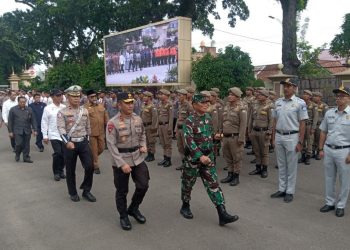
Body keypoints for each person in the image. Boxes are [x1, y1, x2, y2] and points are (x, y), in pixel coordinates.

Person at [181, 93, 239, 226]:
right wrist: (199, 156)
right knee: (188, 184)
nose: (207, 104)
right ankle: (185, 205)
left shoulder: (208, 117)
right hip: (193, 160)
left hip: (208, 158)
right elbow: (189, 142)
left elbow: (208, 136)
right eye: (203, 102)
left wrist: (215, 138)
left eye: (208, 102)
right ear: (195, 105)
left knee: (213, 184)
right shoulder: (189, 121)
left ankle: (222, 213)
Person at [106, 92, 149, 231]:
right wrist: (122, 164)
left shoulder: (137, 118)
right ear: (119, 104)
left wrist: (144, 145)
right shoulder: (113, 123)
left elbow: (142, 134)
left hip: (137, 157)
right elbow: (111, 145)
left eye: (132, 102)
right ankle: (123, 215)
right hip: (121, 160)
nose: (131, 105)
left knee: (143, 185)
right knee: (122, 190)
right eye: (127, 103)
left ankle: (133, 208)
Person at [270, 78, 308, 203]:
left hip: (292, 136)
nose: (285, 88)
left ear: (295, 88)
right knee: (281, 165)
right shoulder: (278, 102)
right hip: (279, 136)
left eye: (288, 86)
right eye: (284, 86)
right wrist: (273, 137)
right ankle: (282, 189)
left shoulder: (300, 103)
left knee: (291, 166)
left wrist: (300, 142)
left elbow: (303, 123)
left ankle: (290, 191)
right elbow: (274, 121)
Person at [57, 85, 96, 203]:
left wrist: (88, 139)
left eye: (78, 96)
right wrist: (67, 142)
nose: (76, 99)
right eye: (73, 96)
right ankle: (72, 192)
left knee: (90, 166)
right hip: (70, 143)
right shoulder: (62, 112)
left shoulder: (85, 111)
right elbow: (61, 129)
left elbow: (88, 126)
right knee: (70, 169)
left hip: (83, 142)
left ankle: (86, 190)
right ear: (68, 97)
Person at [318, 84, 350, 218]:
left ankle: (341, 205)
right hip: (329, 149)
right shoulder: (330, 113)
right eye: (337, 96)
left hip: (344, 151)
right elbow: (323, 131)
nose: (338, 98)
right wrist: (320, 148)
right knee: (329, 178)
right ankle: (330, 202)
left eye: (342, 96)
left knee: (344, 180)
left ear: (348, 98)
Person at [220, 87, 247, 186]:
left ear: (237, 96)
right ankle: (230, 174)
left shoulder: (241, 108)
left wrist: (241, 138)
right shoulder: (226, 107)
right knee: (228, 157)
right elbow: (222, 121)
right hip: (226, 136)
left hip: (235, 137)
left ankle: (236, 177)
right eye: (229, 94)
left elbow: (243, 124)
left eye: (232, 95)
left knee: (237, 158)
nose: (229, 96)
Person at [41, 89, 66, 181]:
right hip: (53, 134)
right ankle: (56, 172)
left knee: (64, 154)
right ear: (52, 97)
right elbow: (44, 122)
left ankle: (61, 170)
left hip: (64, 134)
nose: (60, 97)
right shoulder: (48, 108)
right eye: (58, 95)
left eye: (61, 95)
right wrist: (45, 135)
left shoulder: (64, 107)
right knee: (58, 153)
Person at [247, 89, 273, 178]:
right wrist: (249, 130)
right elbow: (251, 118)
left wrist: (269, 132)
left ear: (266, 96)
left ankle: (264, 169)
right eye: (258, 94)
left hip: (264, 132)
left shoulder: (270, 106)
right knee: (257, 151)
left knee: (264, 152)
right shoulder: (255, 105)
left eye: (261, 94)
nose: (258, 96)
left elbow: (271, 120)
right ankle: (258, 168)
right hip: (254, 131)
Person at [85, 90, 109, 174]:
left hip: (101, 132)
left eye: (95, 96)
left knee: (102, 148)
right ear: (88, 98)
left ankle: (90, 158)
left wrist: (109, 126)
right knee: (94, 150)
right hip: (92, 133)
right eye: (92, 97)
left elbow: (106, 117)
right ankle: (96, 166)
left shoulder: (101, 106)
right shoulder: (85, 108)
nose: (94, 98)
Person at [8, 96, 37, 163]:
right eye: (21, 102)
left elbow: (33, 120)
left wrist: (35, 130)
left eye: (24, 102)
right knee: (19, 144)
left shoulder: (29, 109)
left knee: (27, 145)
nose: (23, 103)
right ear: (18, 102)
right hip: (17, 130)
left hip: (27, 130)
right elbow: (10, 121)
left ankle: (26, 157)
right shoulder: (13, 109)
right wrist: (10, 131)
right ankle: (17, 154)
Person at [175, 89, 193, 170]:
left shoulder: (188, 105)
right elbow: (179, 118)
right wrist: (175, 130)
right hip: (179, 129)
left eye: (180, 95)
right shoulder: (180, 105)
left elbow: (192, 118)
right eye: (178, 95)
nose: (178, 97)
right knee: (180, 147)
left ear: (185, 96)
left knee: (187, 147)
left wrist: (190, 131)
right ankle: (184, 163)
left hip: (185, 130)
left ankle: (189, 164)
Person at [298, 90, 318, 165]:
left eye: (306, 94)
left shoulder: (314, 105)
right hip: (302, 125)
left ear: (310, 96)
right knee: (301, 140)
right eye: (304, 94)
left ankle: (308, 157)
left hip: (309, 125)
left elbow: (315, 117)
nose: (304, 95)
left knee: (309, 141)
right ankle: (302, 156)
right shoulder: (301, 104)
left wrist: (313, 128)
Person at [157, 89, 173, 167]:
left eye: (162, 94)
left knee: (167, 144)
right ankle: (165, 158)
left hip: (166, 126)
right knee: (163, 143)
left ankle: (168, 160)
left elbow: (171, 117)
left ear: (166, 95)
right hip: (160, 126)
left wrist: (170, 128)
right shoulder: (160, 104)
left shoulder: (169, 104)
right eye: (160, 94)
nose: (160, 95)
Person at [141, 91, 158, 162]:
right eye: (143, 96)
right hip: (145, 126)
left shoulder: (152, 106)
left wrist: (154, 128)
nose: (143, 97)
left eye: (145, 96)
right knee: (147, 141)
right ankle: (149, 154)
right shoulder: (144, 105)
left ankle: (152, 155)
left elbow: (155, 118)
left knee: (151, 141)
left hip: (150, 126)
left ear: (149, 97)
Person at [312, 92, 329, 160]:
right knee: (312, 139)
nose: (314, 97)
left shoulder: (324, 105)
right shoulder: (312, 105)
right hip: (312, 124)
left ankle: (319, 152)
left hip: (320, 125)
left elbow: (326, 117)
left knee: (319, 139)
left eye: (316, 96)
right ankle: (312, 152)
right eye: (313, 96)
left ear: (320, 97)